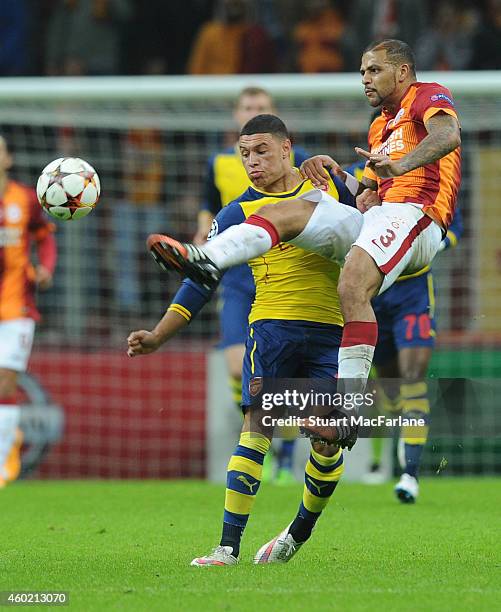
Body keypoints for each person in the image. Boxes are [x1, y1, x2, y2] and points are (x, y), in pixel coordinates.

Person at [145, 39, 461, 447]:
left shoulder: (428, 96)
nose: (364, 78)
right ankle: (208, 258)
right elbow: (365, 200)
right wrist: (335, 170)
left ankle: (348, 414)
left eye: (374, 70)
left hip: (419, 218)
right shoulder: (380, 126)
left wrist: (401, 165)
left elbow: (448, 135)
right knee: (289, 211)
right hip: (382, 217)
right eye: (362, 71)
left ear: (401, 72)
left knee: (351, 282)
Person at [129, 114, 363, 565]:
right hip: (272, 329)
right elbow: (201, 281)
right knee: (257, 428)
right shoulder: (236, 213)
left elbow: (377, 213)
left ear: (286, 148)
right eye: (244, 154)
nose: (252, 162)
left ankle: (295, 535)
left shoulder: (328, 187)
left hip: (334, 332)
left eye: (261, 151)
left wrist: (345, 173)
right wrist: (159, 335)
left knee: (328, 441)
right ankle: (227, 548)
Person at [195, 87, 312, 484]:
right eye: (248, 108)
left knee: (289, 373)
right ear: (235, 116)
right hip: (239, 273)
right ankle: (258, 430)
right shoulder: (219, 164)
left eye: (261, 108)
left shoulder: (296, 162)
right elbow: (207, 210)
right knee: (234, 365)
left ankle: (284, 454)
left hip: (284, 269)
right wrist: (201, 243)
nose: (253, 112)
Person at [0, 135, 57, 487]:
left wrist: (46, 267)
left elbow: (45, 236)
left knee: (4, 384)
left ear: (7, 158)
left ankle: (4, 465)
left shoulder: (24, 197)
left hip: (18, 307)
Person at [187, 0, 276, 75]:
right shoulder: (209, 32)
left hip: (244, 90)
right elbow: (196, 70)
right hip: (213, 92)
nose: (233, 3)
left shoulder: (255, 35)